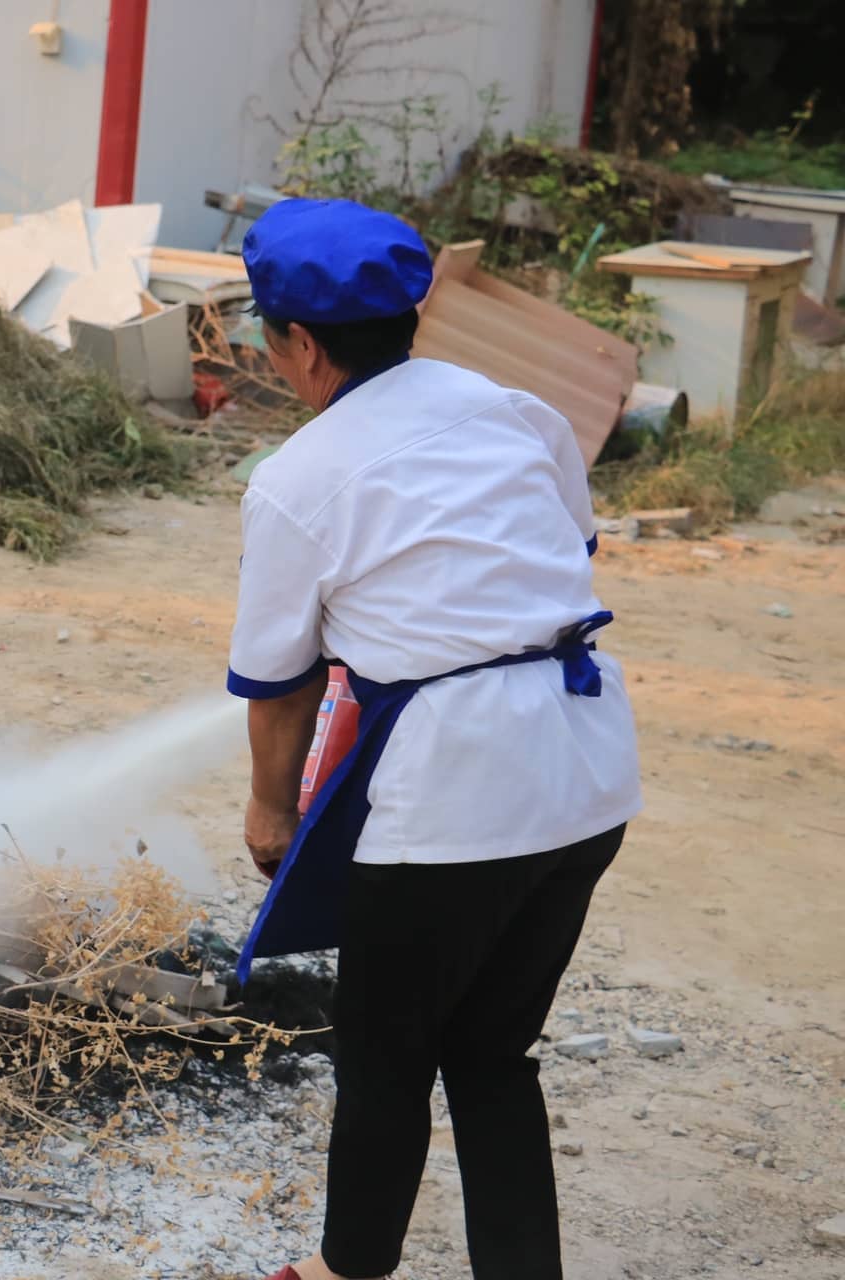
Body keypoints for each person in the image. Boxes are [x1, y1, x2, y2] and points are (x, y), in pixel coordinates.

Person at [223, 198, 642, 1280]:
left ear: (300, 345)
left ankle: (343, 1270)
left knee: (384, 1055)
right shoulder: (517, 408)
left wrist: (273, 810)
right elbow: (551, 554)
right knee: (493, 1050)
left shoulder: (298, 479)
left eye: (267, 340)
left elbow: (280, 688)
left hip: (463, 784)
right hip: (589, 761)